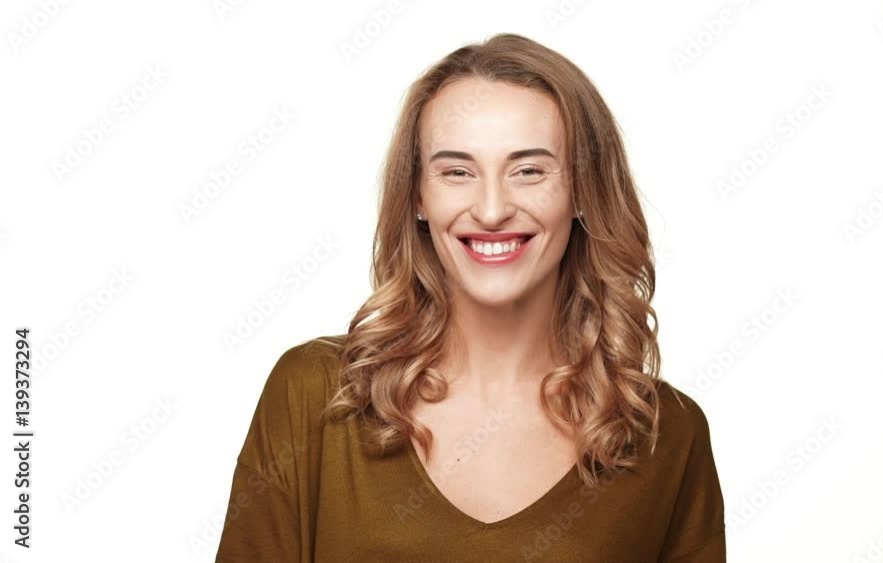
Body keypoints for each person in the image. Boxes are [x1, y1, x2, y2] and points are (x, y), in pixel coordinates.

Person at [216, 32, 726, 562]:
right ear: (418, 195)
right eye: (457, 172)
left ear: (582, 191)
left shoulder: (667, 433)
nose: (491, 210)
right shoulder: (315, 394)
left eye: (528, 171)